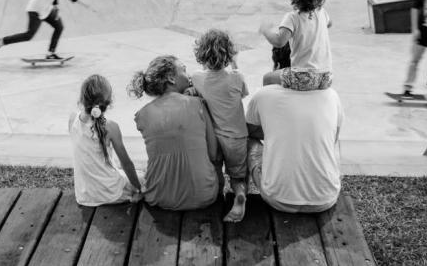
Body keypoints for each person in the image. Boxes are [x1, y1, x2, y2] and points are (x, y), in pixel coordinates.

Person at [245, 57, 344, 214]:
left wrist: (277, 128)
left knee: (249, 142)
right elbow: (333, 140)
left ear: (277, 66)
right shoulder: (331, 95)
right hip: (326, 198)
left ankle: (241, 191)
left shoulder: (263, 94)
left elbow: (249, 131)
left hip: (277, 198)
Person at [129, 55, 220, 210]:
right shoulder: (197, 104)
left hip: (159, 197)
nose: (189, 75)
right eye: (184, 70)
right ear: (171, 78)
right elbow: (213, 153)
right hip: (204, 195)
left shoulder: (142, 115)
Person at [190, 29, 248, 222]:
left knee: (215, 169)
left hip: (213, 137)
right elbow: (243, 93)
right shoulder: (236, 77)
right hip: (237, 137)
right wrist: (234, 65)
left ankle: (217, 197)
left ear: (202, 55)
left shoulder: (198, 78)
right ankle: (239, 194)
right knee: (238, 175)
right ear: (229, 55)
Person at [70, 74, 142, 206]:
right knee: (145, 178)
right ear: (108, 102)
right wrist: (138, 189)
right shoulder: (111, 127)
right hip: (109, 194)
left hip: (84, 195)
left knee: (123, 172)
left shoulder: (73, 119)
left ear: (82, 98)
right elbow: (126, 164)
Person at [259, 0, 332, 91]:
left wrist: (265, 30)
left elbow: (279, 42)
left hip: (304, 76)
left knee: (267, 78)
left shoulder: (292, 17)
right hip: (326, 76)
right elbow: (329, 24)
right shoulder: (322, 13)